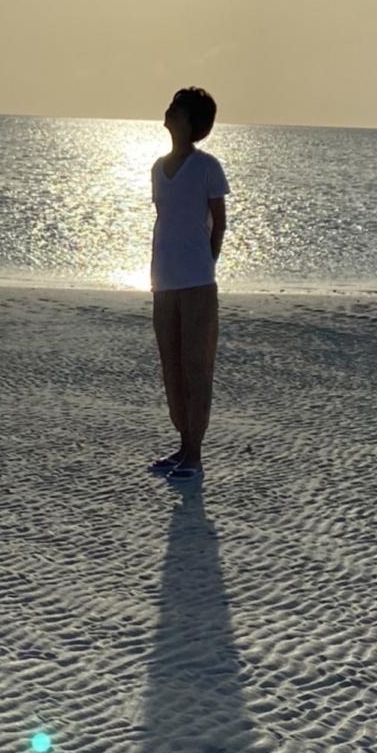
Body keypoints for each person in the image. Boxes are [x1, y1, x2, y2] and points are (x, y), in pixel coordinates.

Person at [149, 87, 229, 485]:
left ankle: (195, 456)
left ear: (191, 121)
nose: (169, 111)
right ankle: (183, 446)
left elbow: (219, 223)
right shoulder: (157, 167)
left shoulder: (207, 167)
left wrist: (205, 262)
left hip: (197, 282)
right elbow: (165, 220)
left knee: (197, 368)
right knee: (172, 367)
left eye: (177, 108)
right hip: (163, 281)